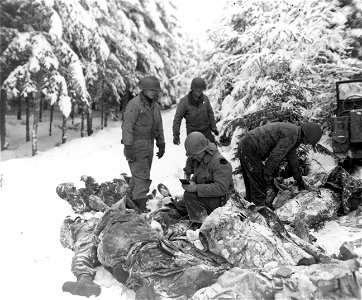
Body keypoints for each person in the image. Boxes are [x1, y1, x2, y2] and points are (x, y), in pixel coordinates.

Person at [237, 122, 323, 207]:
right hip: (250, 146)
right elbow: (274, 157)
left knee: (252, 182)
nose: (307, 144)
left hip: (246, 144)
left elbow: (293, 161)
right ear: (306, 136)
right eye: (308, 142)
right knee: (258, 183)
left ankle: (249, 206)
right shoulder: (291, 136)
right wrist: (266, 176)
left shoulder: (294, 135)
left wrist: (300, 181)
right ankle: (259, 212)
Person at [121, 75, 165, 212]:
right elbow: (127, 127)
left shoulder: (154, 106)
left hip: (149, 146)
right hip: (135, 147)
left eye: (155, 90)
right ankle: (140, 210)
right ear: (144, 89)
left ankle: (129, 203)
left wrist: (161, 142)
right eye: (151, 90)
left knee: (138, 178)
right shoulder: (134, 104)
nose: (153, 92)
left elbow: (158, 126)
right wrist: (128, 146)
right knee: (142, 179)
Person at [174, 132, 234, 228]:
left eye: (195, 154)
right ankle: (192, 216)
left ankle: (201, 224)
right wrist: (191, 183)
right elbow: (199, 178)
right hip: (209, 197)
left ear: (204, 150)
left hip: (222, 202)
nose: (194, 157)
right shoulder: (200, 160)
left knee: (189, 196)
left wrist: (196, 188)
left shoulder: (220, 163)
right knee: (180, 205)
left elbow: (221, 188)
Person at [172, 77, 218, 145]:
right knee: (196, 154)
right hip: (193, 134)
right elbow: (177, 119)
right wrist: (176, 134)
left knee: (213, 151)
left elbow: (210, 114)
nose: (199, 92)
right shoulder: (184, 102)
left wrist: (213, 127)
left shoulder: (205, 99)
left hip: (206, 131)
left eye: (201, 90)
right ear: (193, 89)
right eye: (197, 90)